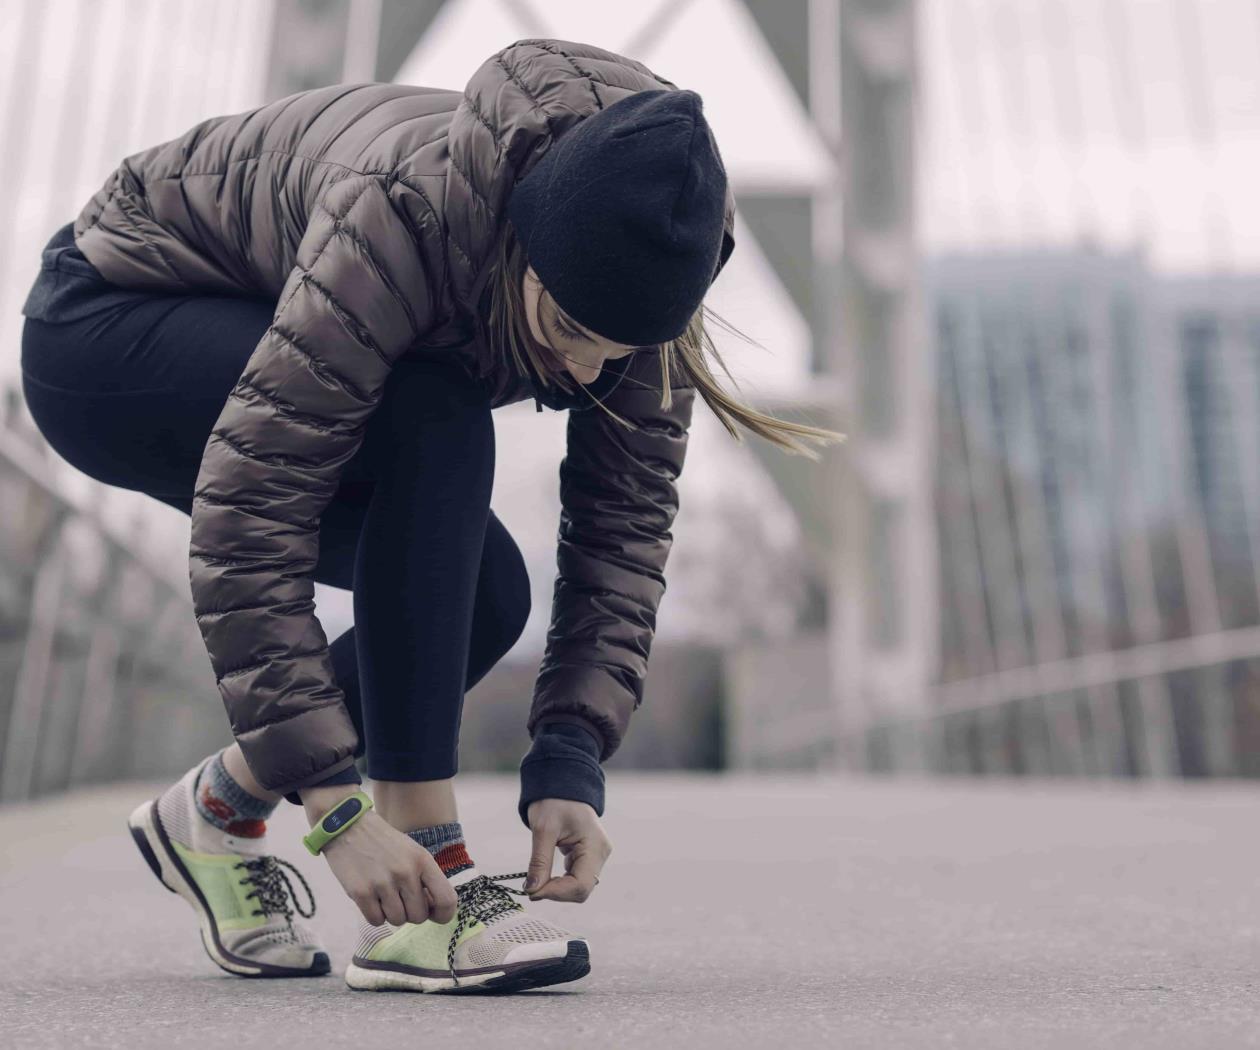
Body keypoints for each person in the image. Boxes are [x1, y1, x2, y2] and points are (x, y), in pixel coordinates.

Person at [18, 37, 840, 992]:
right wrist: (335, 809)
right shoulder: (402, 215)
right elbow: (253, 516)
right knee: (433, 410)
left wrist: (570, 759)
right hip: (106, 327)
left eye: (618, 351)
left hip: (267, 352)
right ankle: (430, 879)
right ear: (524, 249)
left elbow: (623, 530)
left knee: (483, 595)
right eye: (570, 332)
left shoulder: (652, 267)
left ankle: (215, 808)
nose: (585, 373)